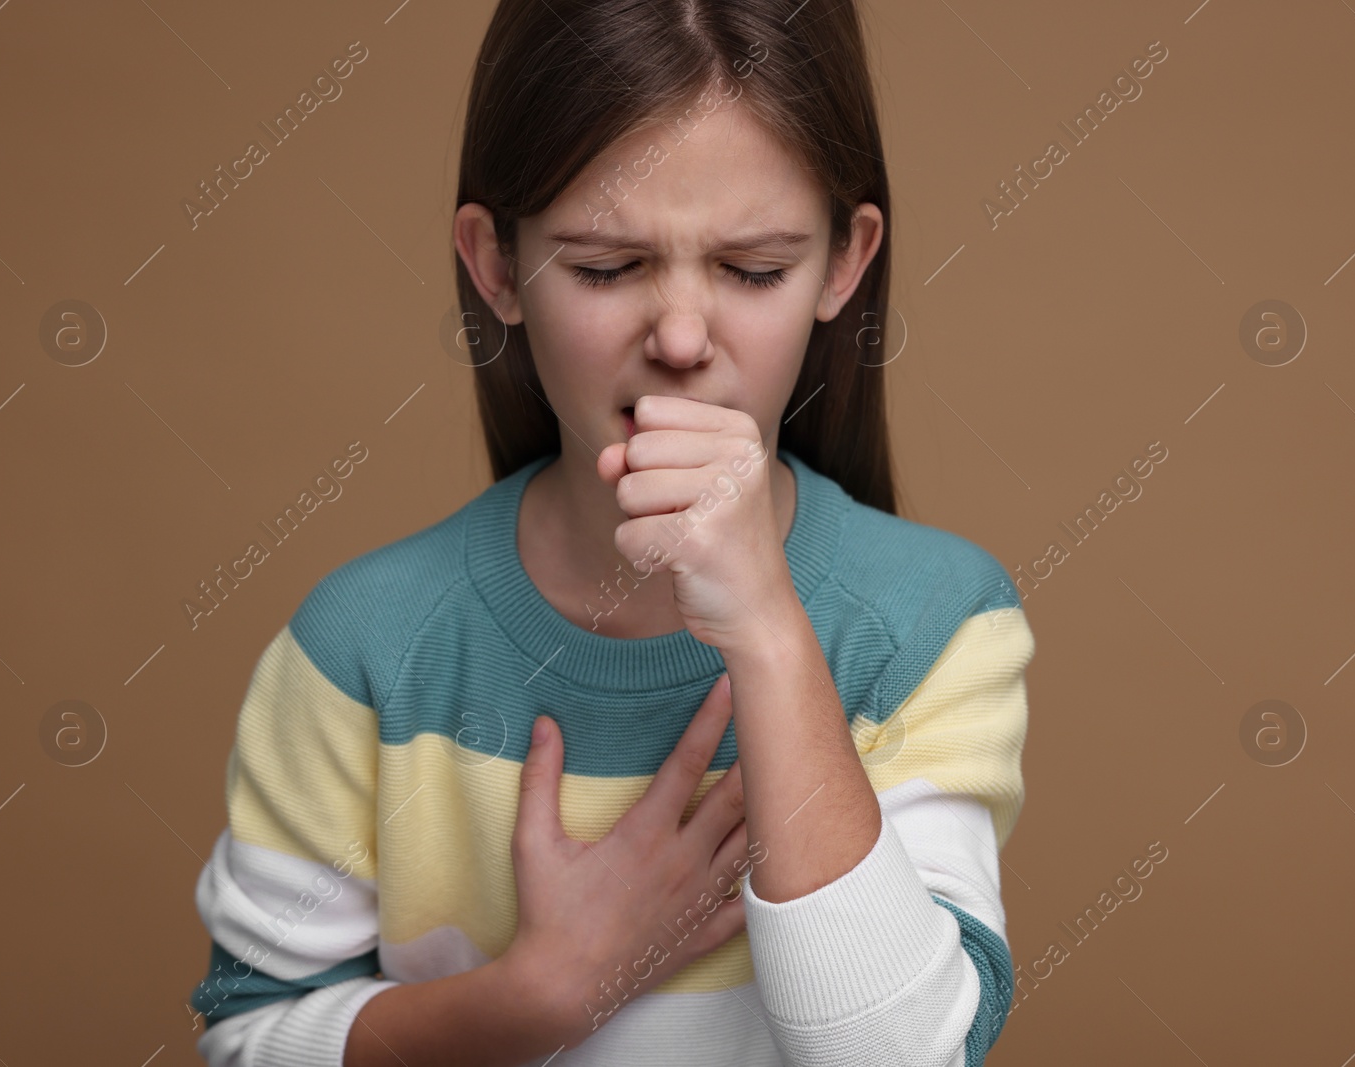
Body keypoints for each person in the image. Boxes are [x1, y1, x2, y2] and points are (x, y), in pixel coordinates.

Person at [187, 1, 1034, 1063]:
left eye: (754, 269)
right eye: (604, 268)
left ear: (843, 263)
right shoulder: (366, 644)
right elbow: (247, 1039)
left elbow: (905, 1055)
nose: (681, 338)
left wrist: (770, 630)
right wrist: (542, 994)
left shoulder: (934, 625)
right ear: (495, 264)